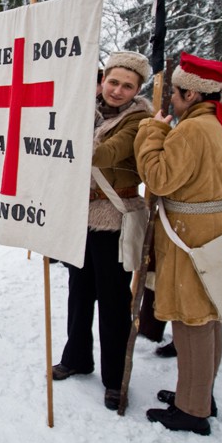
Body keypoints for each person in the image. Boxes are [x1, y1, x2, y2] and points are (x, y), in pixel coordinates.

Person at [135, 52, 222, 435]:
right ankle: (198, 393)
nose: (172, 101)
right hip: (213, 229)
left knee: (192, 318)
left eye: (176, 94)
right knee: (209, 316)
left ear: (191, 95)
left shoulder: (192, 130)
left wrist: (152, 133)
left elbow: (160, 178)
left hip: (190, 233)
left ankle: (192, 410)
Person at [51, 51, 152, 411]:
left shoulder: (139, 119)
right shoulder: (85, 108)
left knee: (112, 302)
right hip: (80, 216)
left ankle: (115, 378)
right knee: (79, 293)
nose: (118, 91)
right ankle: (77, 357)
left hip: (114, 215)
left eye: (128, 85)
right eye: (113, 82)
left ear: (137, 89)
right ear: (103, 80)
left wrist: (67, 128)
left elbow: (104, 154)